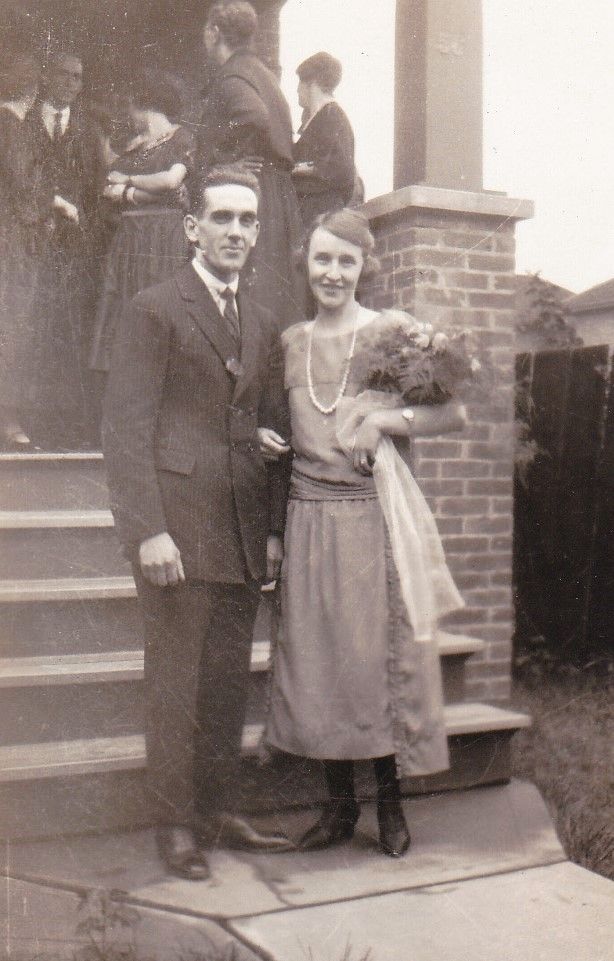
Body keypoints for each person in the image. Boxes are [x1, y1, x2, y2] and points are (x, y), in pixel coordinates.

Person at [102, 165, 294, 881]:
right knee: (175, 685)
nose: (236, 231)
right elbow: (126, 428)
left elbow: (266, 427)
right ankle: (176, 824)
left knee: (225, 684)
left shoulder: (263, 320)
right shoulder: (156, 308)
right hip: (177, 531)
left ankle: (219, 810)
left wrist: (270, 531)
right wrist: (146, 530)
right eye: (222, 218)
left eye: (247, 220)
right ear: (192, 228)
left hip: (240, 529)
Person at [264, 208, 466, 857]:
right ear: (306, 262)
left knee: (372, 663)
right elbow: (279, 428)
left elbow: (453, 412)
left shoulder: (390, 331)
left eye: (345, 261)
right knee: (318, 662)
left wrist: (385, 422)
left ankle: (390, 804)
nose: (332, 272)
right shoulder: (290, 341)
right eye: (322, 258)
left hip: (369, 518)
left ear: (364, 266)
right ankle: (339, 807)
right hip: (306, 515)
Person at [197, 0, 304, 325]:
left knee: (251, 300)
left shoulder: (233, 75)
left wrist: (226, 162)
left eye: (206, 29)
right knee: (274, 298)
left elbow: (252, 115)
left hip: (256, 194)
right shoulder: (261, 74)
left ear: (215, 32)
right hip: (276, 196)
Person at [25, 49, 105, 447]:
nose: (71, 84)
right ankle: (32, 422)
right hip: (32, 246)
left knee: (71, 330)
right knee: (34, 329)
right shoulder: (24, 123)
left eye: (78, 77)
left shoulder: (88, 131)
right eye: (64, 74)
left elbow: (96, 189)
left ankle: (71, 425)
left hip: (73, 250)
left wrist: (84, 229)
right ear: (46, 77)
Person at [89, 70, 195, 374]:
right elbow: (109, 186)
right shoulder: (135, 147)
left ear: (144, 106)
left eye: (132, 108)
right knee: (126, 308)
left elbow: (172, 182)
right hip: (130, 239)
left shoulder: (181, 137)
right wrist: (136, 191)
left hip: (163, 238)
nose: (130, 117)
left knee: (159, 306)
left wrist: (129, 184)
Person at [292, 52, 356, 227]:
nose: (297, 90)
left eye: (300, 82)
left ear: (312, 83)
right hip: (310, 212)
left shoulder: (333, 117)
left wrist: (296, 168)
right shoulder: (317, 119)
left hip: (322, 214)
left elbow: (341, 171)